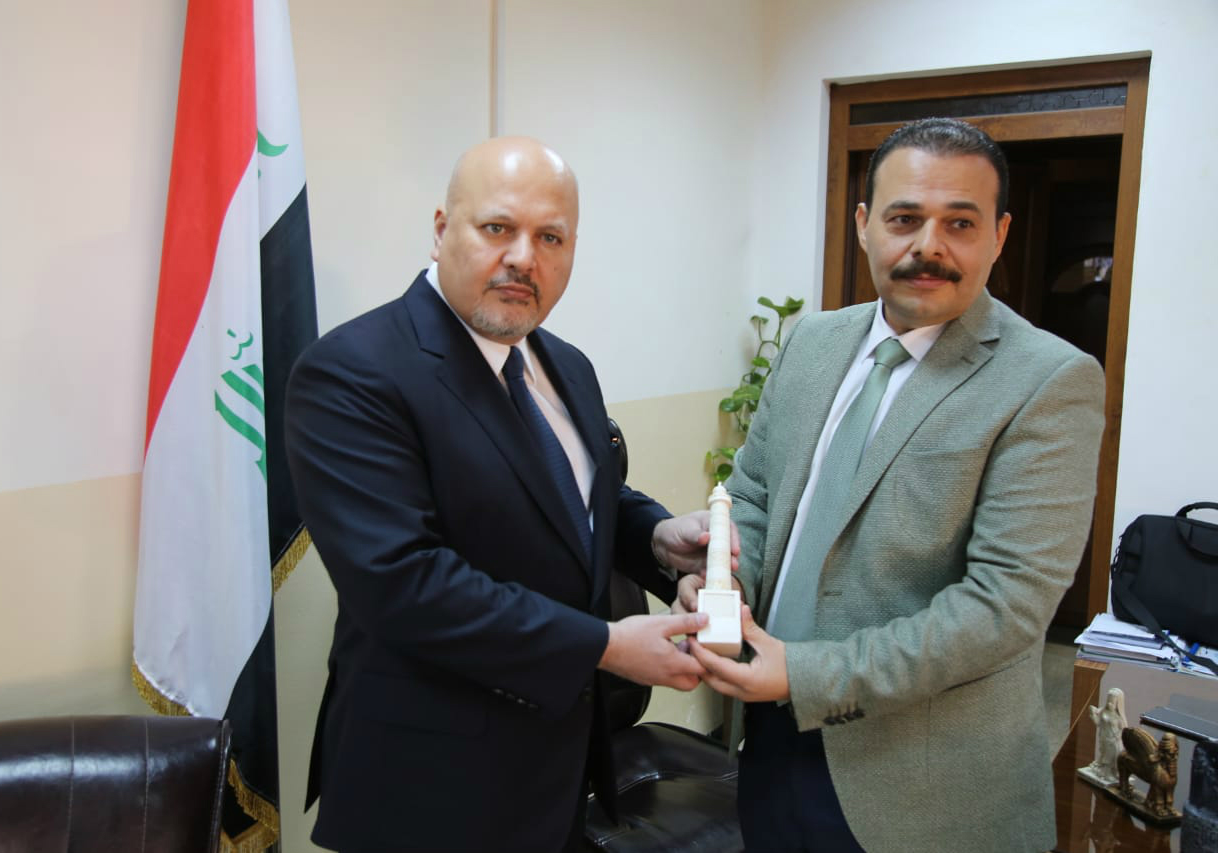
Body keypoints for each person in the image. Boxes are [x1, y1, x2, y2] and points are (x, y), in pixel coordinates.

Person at [678, 118, 1105, 853]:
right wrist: (723, 581)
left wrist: (806, 674)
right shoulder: (812, 343)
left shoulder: (1048, 380)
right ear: (864, 224)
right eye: (905, 218)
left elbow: (1002, 607)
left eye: (960, 223)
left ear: (999, 235)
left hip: (920, 788)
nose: (928, 246)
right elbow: (753, 496)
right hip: (772, 738)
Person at [285, 136, 722, 853]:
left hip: (559, 769)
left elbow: (578, 497)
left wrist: (653, 538)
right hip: (430, 786)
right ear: (440, 230)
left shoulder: (566, 364)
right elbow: (402, 583)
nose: (524, 257)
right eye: (498, 228)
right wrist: (606, 646)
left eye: (551, 237)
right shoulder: (352, 372)